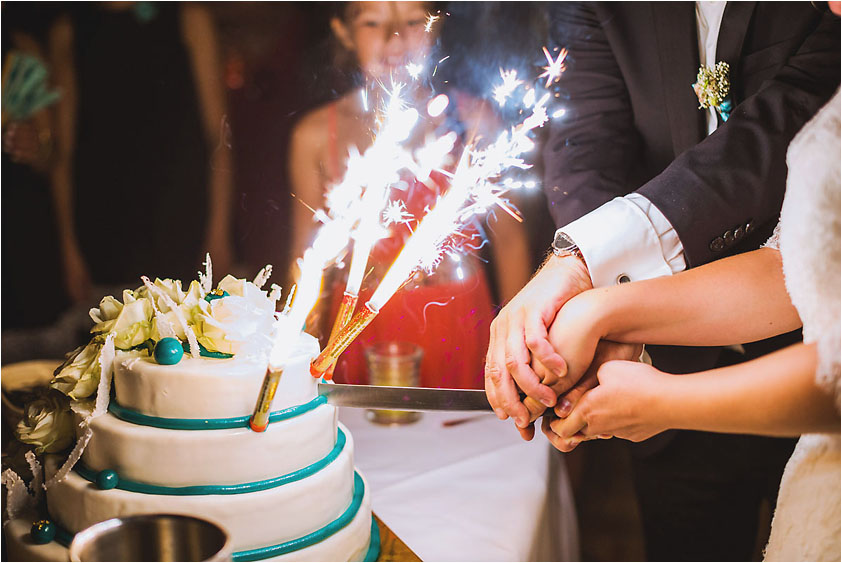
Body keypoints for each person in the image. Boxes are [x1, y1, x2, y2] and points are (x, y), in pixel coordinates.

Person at [484, 2, 840, 560]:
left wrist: (670, 400)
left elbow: (777, 128)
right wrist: (597, 297)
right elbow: (786, 268)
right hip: (678, 356)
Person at [289, 1, 530, 389]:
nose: (395, 39)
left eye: (413, 21)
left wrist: (517, 353)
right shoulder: (315, 134)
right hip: (356, 331)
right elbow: (306, 262)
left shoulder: (473, 121)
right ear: (344, 32)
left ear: (435, 27)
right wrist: (298, 363)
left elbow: (511, 244)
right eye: (372, 22)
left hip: (459, 319)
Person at [48, 2, 234, 303]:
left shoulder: (188, 17)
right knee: (110, 342)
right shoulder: (69, 29)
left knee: (187, 339)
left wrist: (219, 234)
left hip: (183, 225)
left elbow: (219, 137)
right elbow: (63, 150)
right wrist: (68, 249)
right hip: (103, 231)